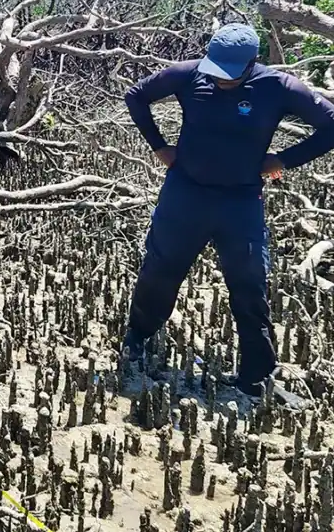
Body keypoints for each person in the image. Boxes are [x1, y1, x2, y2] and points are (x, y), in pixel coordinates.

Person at [121, 22, 334, 398]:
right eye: (215, 71)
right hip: (185, 194)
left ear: (253, 62)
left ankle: (257, 374)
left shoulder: (278, 87)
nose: (220, 80)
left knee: (249, 284)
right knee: (160, 270)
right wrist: (159, 145)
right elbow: (136, 95)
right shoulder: (189, 75)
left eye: (229, 75)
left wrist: (283, 160)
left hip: (240, 201)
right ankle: (138, 336)